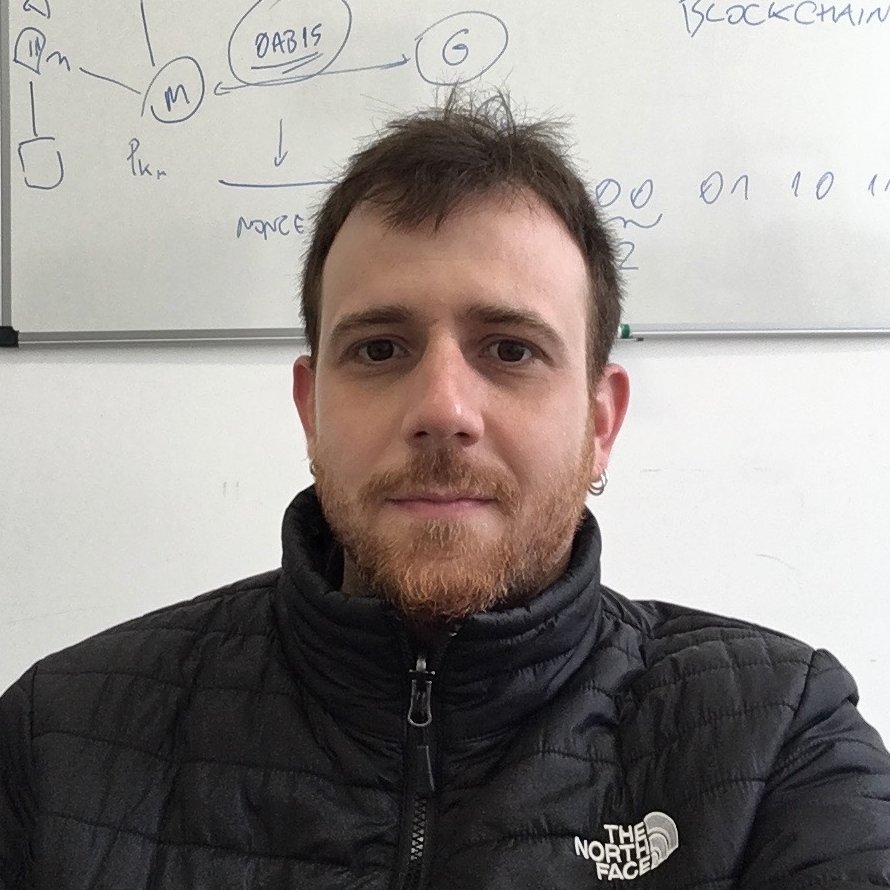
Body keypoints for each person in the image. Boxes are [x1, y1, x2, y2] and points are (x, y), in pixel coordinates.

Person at [2, 92, 889, 890]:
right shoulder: (58, 739)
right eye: (380, 349)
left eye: (510, 349)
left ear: (600, 421)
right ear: (311, 411)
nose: (442, 409)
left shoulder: (778, 738)